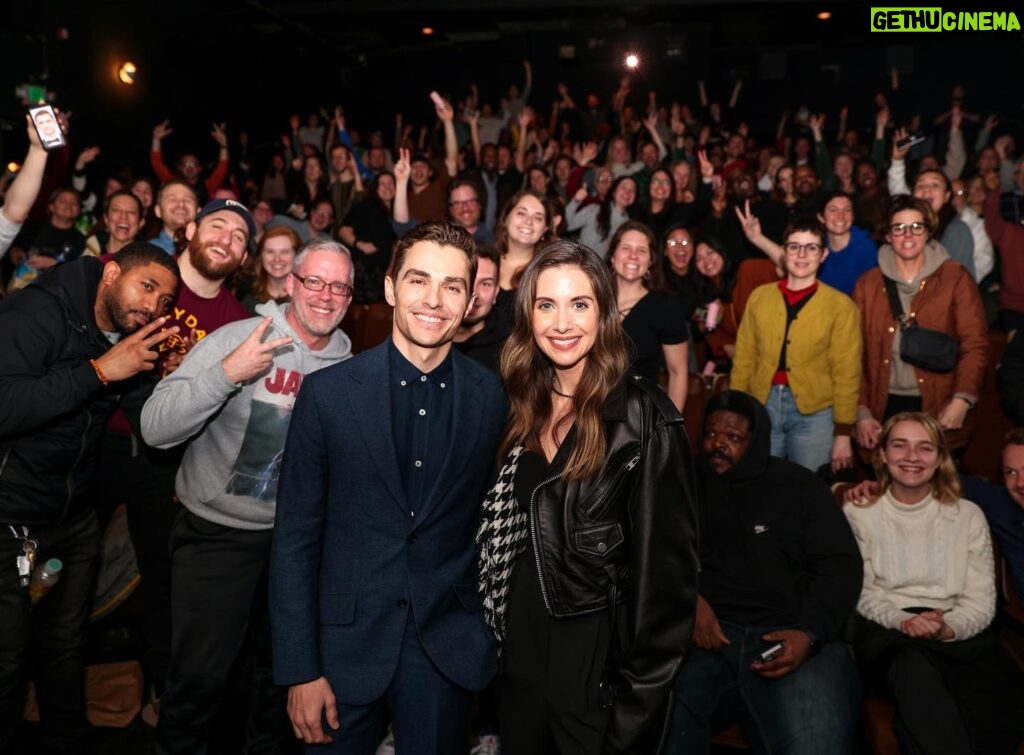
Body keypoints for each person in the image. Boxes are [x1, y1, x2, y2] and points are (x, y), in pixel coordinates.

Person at [270, 221, 508, 753]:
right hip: (339, 651)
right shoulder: (328, 395)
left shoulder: (491, 397)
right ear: (390, 287)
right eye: (419, 280)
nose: (434, 299)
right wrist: (298, 668)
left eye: (452, 286)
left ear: (471, 299)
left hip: (446, 649)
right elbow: (295, 540)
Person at [480, 239, 698, 753]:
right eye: (546, 305)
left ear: (604, 314)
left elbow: (666, 600)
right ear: (527, 315)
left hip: (594, 681)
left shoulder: (646, 419)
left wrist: (630, 723)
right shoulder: (515, 404)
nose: (562, 323)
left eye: (579, 304)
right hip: (516, 669)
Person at [141, 240, 354, 755]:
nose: (325, 296)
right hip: (218, 535)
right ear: (289, 284)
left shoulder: (351, 368)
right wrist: (227, 374)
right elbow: (154, 429)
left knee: (277, 689)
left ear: (350, 297)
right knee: (197, 685)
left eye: (339, 286)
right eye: (314, 282)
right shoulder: (238, 338)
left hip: (296, 549)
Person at [0, 244, 180, 754]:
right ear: (111, 273)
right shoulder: (37, 311)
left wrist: (176, 379)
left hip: (70, 527)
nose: (153, 306)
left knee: (63, 645)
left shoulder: (124, 336)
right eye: (146, 286)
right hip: (9, 522)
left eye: (165, 300)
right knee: (7, 656)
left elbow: (150, 421)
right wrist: (99, 371)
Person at [665, 390, 863, 755]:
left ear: (756, 442)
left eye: (733, 437)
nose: (717, 445)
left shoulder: (799, 486)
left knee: (817, 745)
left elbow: (840, 565)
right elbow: (649, 553)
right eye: (710, 434)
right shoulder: (679, 481)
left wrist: (810, 632)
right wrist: (686, 600)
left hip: (792, 634)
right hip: (706, 638)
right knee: (660, 721)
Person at [844, 413, 1024, 754]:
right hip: (889, 632)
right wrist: (905, 621)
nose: (912, 457)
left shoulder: (968, 515)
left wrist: (947, 629)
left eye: (925, 448)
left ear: (940, 458)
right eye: (900, 445)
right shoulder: (858, 513)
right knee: (913, 670)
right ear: (881, 454)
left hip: (959, 632)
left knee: (993, 702)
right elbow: (864, 593)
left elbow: (980, 601)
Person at [853, 195, 988, 453]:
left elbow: (975, 344)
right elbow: (852, 353)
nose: (908, 234)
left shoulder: (955, 277)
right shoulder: (867, 284)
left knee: (938, 487)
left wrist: (962, 400)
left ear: (927, 232)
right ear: (888, 235)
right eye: (899, 227)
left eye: (916, 226)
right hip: (882, 406)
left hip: (940, 403)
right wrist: (861, 410)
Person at [731, 216, 861, 473]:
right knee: (759, 484)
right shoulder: (760, 297)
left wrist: (844, 433)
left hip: (815, 413)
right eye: (794, 246)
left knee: (807, 489)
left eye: (811, 247)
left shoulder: (840, 306)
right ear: (784, 251)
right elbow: (744, 359)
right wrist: (737, 410)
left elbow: (847, 372)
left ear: (823, 254)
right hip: (762, 405)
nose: (802, 254)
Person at [607, 221, 689, 411]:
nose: (633, 256)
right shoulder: (591, 300)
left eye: (642, 250)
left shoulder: (666, 307)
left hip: (638, 416)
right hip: (586, 410)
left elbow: (678, 373)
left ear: (651, 261)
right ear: (612, 256)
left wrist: (670, 428)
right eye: (625, 248)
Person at [337, 172, 397, 304]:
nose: (387, 187)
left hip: (382, 274)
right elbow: (343, 230)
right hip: (364, 271)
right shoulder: (367, 205)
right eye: (382, 184)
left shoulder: (396, 213)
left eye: (391, 183)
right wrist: (360, 244)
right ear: (376, 188)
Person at [494, 189, 554, 316]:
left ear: (544, 230)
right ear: (506, 218)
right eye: (521, 213)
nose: (529, 222)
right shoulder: (482, 261)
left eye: (538, 218)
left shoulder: (547, 273)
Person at [454, 245, 509, 373]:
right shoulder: (425, 336)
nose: (475, 294)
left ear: (496, 293)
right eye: (469, 280)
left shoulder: (510, 351)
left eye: (485, 284)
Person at [565, 175, 637, 259]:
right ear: (613, 192)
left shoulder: (629, 226)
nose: (627, 192)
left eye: (632, 190)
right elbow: (567, 225)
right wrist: (576, 201)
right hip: (580, 263)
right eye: (623, 187)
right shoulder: (595, 210)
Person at [240, 225, 301, 314]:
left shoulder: (306, 299)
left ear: (297, 256)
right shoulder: (244, 290)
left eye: (284, 252)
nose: (277, 259)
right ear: (261, 256)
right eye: (270, 252)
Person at [83, 190, 144, 258]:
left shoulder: (147, 260)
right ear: (106, 219)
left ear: (141, 222)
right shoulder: (89, 254)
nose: (123, 216)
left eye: (131, 211)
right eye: (116, 210)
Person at [149, 180, 199, 255]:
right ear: (158, 211)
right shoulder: (147, 252)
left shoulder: (207, 251)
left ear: (198, 211)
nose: (181, 204)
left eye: (187, 200)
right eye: (172, 199)